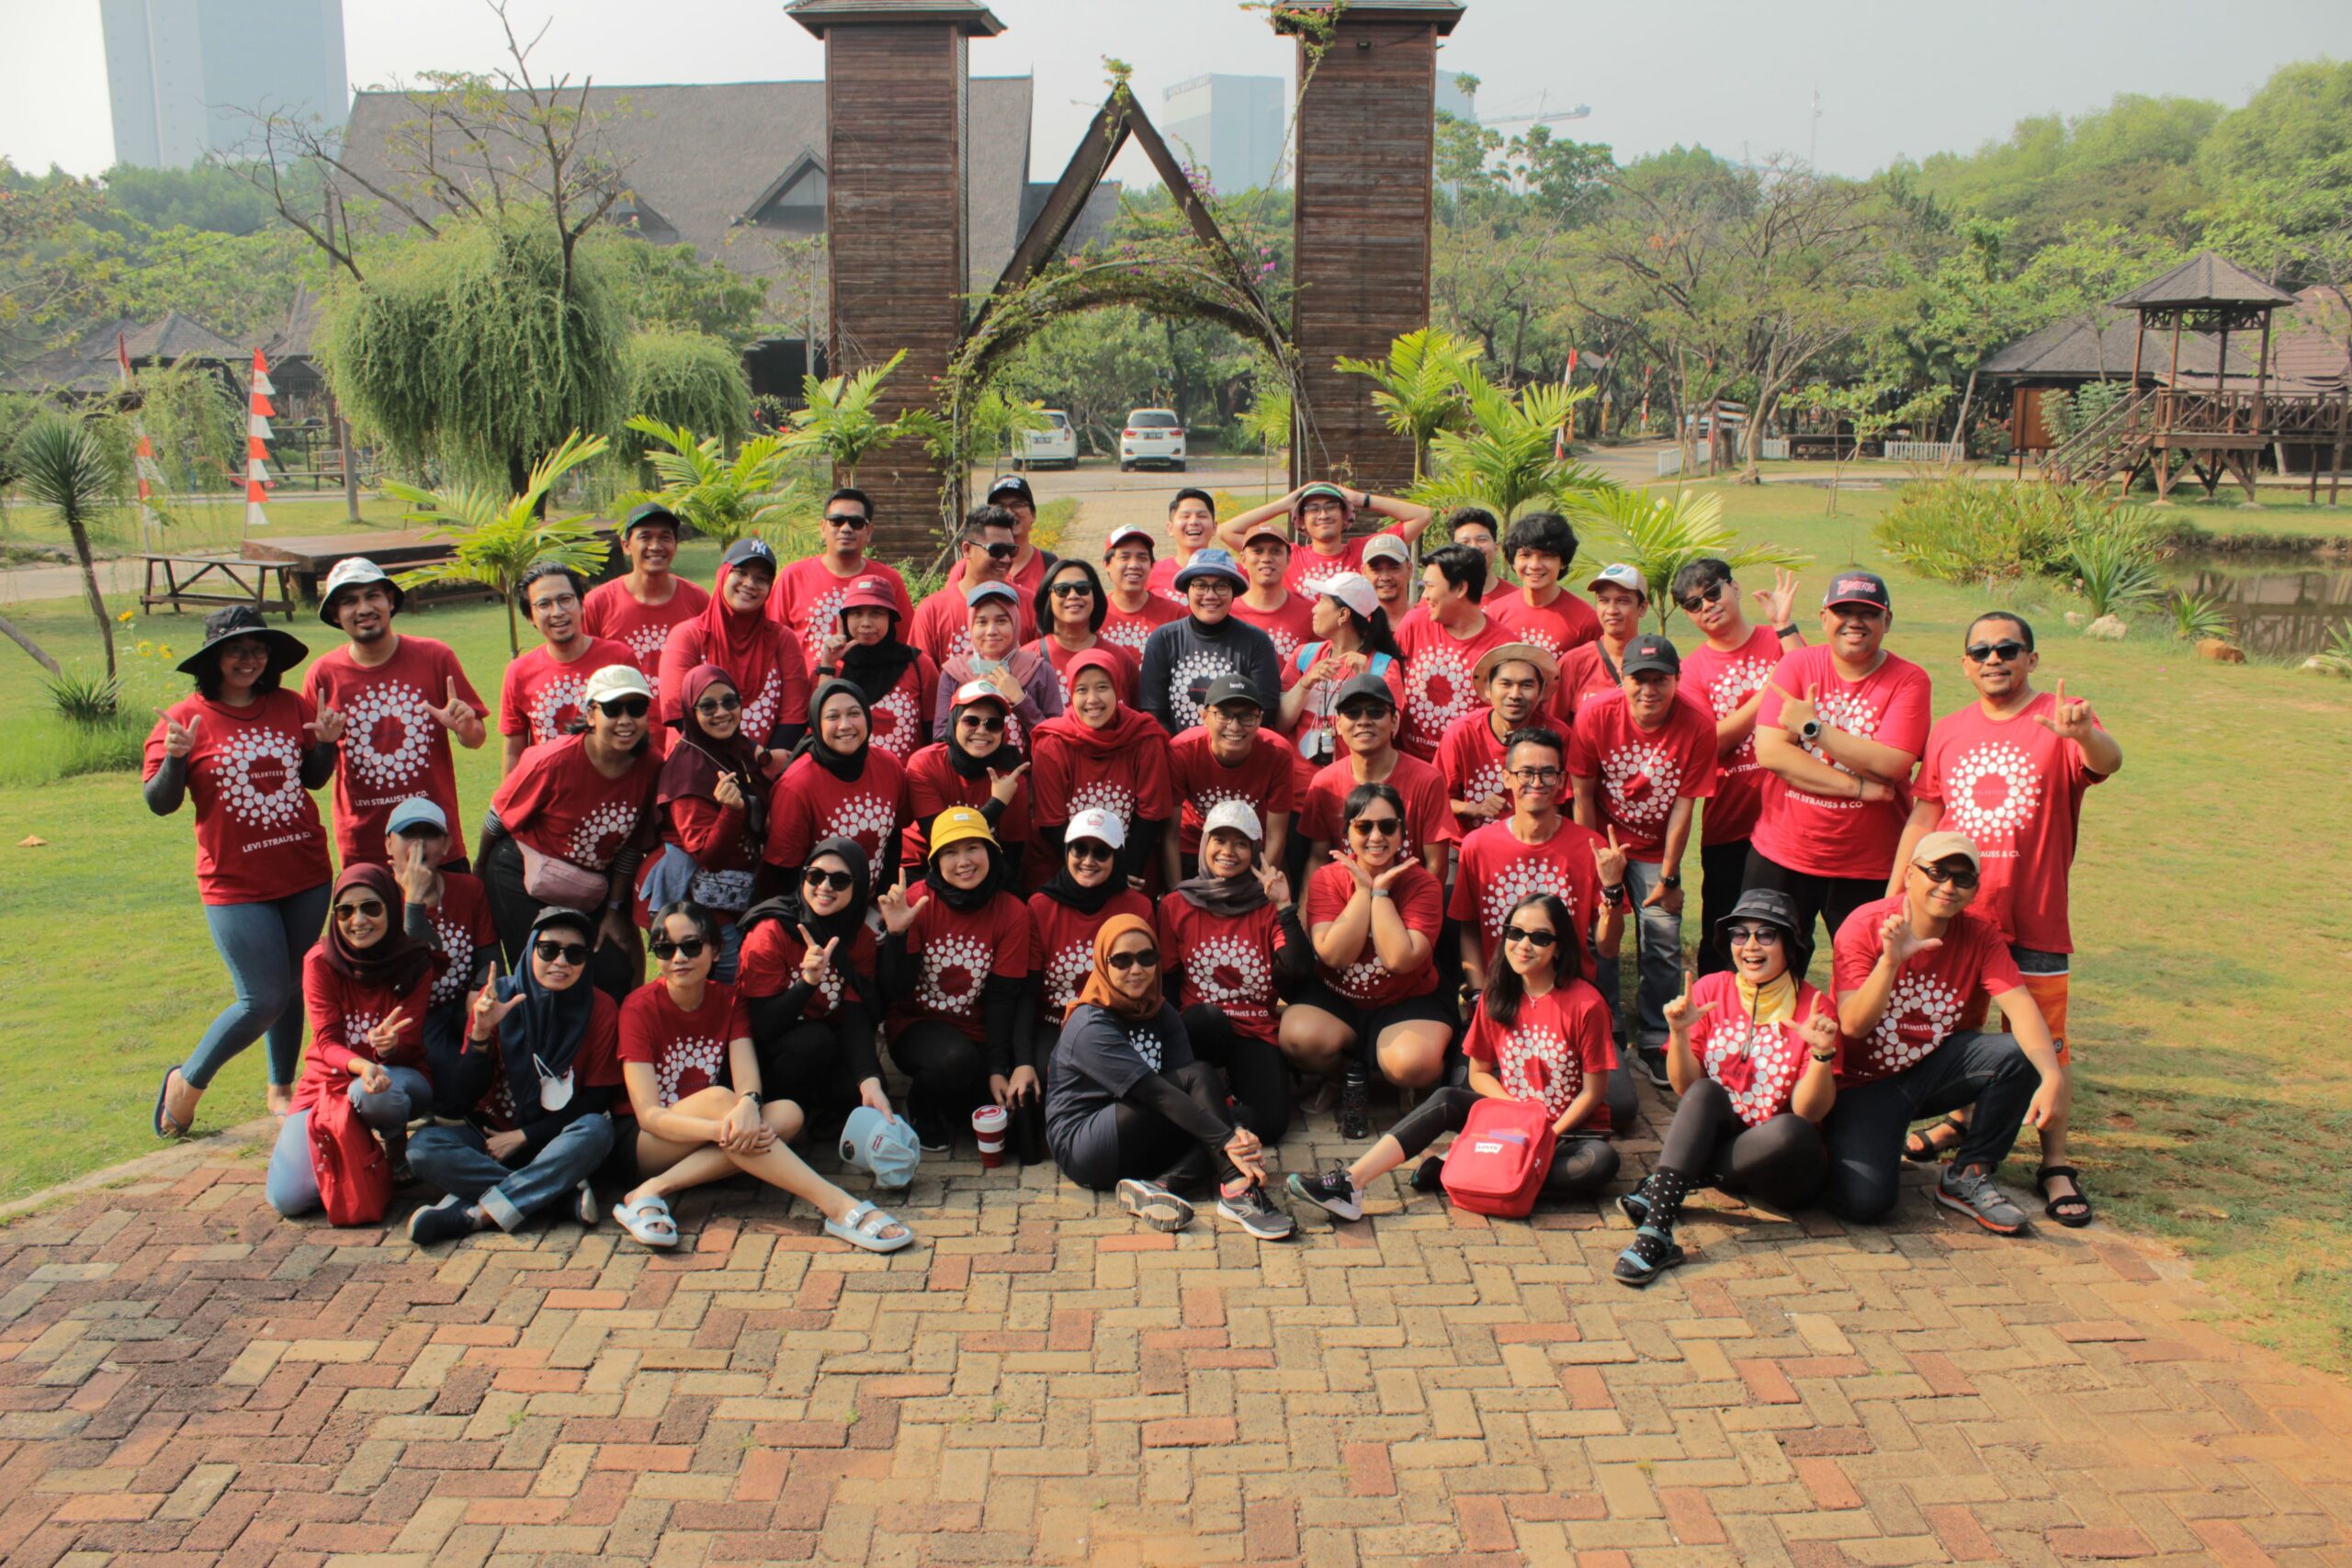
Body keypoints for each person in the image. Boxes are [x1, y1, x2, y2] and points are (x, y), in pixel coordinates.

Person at [1891, 613, 2120, 1225]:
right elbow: (1925, 816)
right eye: (1981, 650)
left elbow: (2108, 760)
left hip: (2035, 914)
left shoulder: (2059, 717)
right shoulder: (1948, 730)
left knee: (2047, 1040)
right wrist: (1896, 896)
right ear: (1965, 664)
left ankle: (2055, 1161)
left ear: (2031, 659)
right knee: (1960, 1037)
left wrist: (2084, 735)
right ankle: (1963, 1123)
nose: (1994, 658)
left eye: (2007, 648)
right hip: (1957, 916)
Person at [1288, 891, 1619, 1220]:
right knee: (1447, 1097)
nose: (1524, 945)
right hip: (1509, 1119)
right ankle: (1349, 1184)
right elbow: (1479, 1074)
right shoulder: (1497, 996)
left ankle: (1467, 1171)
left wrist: (1546, 1134)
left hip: (1568, 1133)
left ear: (1559, 947)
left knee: (1601, 1162)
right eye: (1515, 933)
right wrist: (1518, 1114)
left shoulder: (1586, 1004)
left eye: (1540, 937)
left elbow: (1593, 1094)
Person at [609, 900, 912, 1253]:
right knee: (724, 1100)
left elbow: (747, 1081)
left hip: (712, 1129)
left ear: (715, 949)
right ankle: (837, 1204)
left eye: (692, 946)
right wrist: (727, 1130)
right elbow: (649, 1115)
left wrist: (748, 1107)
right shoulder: (639, 1007)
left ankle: (653, 1190)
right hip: (645, 1141)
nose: (679, 958)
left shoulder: (728, 999)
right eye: (665, 948)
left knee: (788, 1114)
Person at [146, 606, 337, 1134]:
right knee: (263, 996)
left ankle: (281, 1088)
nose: (250, 660)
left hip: (304, 871)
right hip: (234, 883)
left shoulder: (286, 704)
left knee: (295, 983)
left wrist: (325, 743)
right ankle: (187, 1081)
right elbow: (160, 803)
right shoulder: (184, 717)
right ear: (214, 659)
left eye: (258, 650)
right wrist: (175, 759)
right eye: (237, 650)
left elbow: (312, 779)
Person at [1826, 833, 2068, 1234]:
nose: (1948, 887)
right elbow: (1852, 1025)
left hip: (1928, 1070)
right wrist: (1889, 963)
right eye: (1936, 873)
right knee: (1865, 1203)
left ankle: (1969, 1173)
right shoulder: (1866, 925)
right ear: (1909, 874)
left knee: (2019, 1053)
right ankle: (1842, 1143)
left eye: (1963, 878)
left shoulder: (1979, 934)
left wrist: (2052, 1074)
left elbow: (2021, 1006)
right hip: (1862, 1083)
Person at [1612, 890, 1840, 1287]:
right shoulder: (1710, 991)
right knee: (1703, 1092)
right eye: (1740, 933)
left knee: (1791, 1129)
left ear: (1790, 944)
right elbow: (1686, 1089)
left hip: (1784, 1171)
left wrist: (1822, 1054)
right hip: (1726, 1151)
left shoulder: (1814, 1007)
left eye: (1766, 934)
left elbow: (1809, 1113)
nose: (1750, 945)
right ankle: (1656, 1231)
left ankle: (1667, 1185)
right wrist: (1679, 1035)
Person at [1045, 914, 1296, 1239]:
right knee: (1212, 1104)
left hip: (1140, 1126)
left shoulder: (1158, 1009)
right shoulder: (1090, 1024)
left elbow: (1189, 1096)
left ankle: (1161, 1186)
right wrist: (1228, 1141)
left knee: (1241, 1116)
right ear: (1102, 964)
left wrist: (1233, 1131)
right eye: (1121, 960)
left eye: (1146, 958)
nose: (1136, 970)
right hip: (1088, 1145)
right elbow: (1160, 1093)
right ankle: (1236, 1187)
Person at [1749, 570, 1932, 979]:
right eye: (1842, 611)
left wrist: (1813, 730)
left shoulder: (1909, 680)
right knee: (1764, 972)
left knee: (1866, 975)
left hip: (1866, 863)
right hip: (1782, 853)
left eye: (1867, 613)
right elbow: (1772, 752)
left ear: (1887, 622)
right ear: (1823, 618)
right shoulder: (1798, 663)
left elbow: (1894, 763)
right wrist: (1860, 786)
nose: (1854, 621)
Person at [405, 907, 620, 1246]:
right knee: (422, 1148)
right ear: (530, 948)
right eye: (549, 950)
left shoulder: (601, 1008)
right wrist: (480, 1034)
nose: (561, 962)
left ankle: (475, 1216)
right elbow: (461, 1100)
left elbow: (595, 1100)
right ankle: (556, 1197)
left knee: (597, 1129)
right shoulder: (496, 998)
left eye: (574, 953)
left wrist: (524, 1136)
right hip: (489, 1140)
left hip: (556, 1142)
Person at [1449, 727, 1631, 1127]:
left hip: (1567, 998)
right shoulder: (1478, 846)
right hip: (1505, 1001)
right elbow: (1467, 929)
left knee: (1620, 1106)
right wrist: (1480, 993)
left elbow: (1609, 947)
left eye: (1548, 773)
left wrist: (1613, 889)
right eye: (1527, 772)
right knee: (1466, 1093)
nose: (1537, 782)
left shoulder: (1590, 847)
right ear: (1507, 777)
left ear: (1563, 782)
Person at [1569, 635, 1719, 1084]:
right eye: (1639, 679)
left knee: (1662, 938)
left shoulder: (1697, 724)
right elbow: (1582, 793)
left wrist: (1670, 876)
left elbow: (1683, 807)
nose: (1649, 690)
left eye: (1660, 680)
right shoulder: (1597, 714)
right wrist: (1597, 858)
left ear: (1677, 680)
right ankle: (1608, 1023)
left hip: (1657, 848)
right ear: (1624, 679)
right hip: (1607, 839)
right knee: (1602, 936)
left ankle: (1656, 1036)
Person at [478, 664, 664, 1002]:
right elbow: (497, 818)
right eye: (613, 708)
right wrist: (479, 875)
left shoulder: (651, 767)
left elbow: (629, 849)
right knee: (544, 975)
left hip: (587, 888)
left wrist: (612, 911)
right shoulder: (552, 760)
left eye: (636, 709)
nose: (625, 720)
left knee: (613, 974)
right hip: (520, 876)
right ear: (591, 714)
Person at [267, 863, 445, 1215]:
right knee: (289, 1199)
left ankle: (394, 1145)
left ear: (392, 909)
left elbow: (410, 1044)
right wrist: (362, 1062)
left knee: (372, 1090)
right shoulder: (319, 961)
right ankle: (358, 1146)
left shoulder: (415, 962)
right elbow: (326, 1042)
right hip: (325, 1083)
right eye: (345, 911)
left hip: (397, 1079)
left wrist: (388, 1048)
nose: (358, 920)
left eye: (371, 908)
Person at [1281, 781, 1454, 1136]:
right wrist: (1362, 890)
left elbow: (1400, 959)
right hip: (1337, 995)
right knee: (1298, 1038)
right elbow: (1332, 955)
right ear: (1347, 833)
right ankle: (1338, 1076)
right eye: (1364, 826)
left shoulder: (1423, 884)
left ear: (1403, 833)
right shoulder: (1327, 878)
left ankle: (1405, 1083)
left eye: (1388, 826)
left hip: (1409, 998)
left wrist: (1381, 892)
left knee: (1412, 1064)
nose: (1377, 836)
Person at [301, 557, 487, 869]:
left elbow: (476, 738)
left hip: (435, 834)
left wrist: (463, 727)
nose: (363, 609)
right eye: (349, 601)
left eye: (372, 596)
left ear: (390, 600)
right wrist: (326, 743)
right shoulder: (323, 674)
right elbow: (314, 772)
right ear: (335, 614)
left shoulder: (435, 656)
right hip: (365, 842)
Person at [1672, 558, 1805, 976]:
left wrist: (1785, 626)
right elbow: (1711, 741)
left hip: (1791, 813)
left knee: (1786, 928)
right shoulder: (1692, 669)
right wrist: (1770, 690)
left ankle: (1785, 1023)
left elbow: (1814, 688)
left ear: (1735, 588)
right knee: (1724, 926)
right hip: (1730, 819)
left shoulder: (1776, 640)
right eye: (1694, 604)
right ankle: (1714, 1021)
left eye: (1713, 592)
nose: (1707, 606)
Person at [877, 807, 1036, 1152]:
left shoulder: (1012, 911)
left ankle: (952, 1101)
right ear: (936, 861)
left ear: (991, 852)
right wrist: (896, 936)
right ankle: (919, 1110)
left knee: (1008, 1111)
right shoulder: (916, 900)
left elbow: (1002, 996)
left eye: (972, 848)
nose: (963, 861)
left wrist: (998, 1067)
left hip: (979, 1030)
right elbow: (895, 990)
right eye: (950, 852)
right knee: (954, 1061)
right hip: (918, 1024)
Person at [1159, 800, 1306, 1145]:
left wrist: (1285, 906)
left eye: (1241, 843)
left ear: (1255, 851)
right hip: (1199, 1030)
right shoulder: (1176, 905)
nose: (1228, 851)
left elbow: (1298, 969)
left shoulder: (1268, 903)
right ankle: (1206, 1094)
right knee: (1209, 1018)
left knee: (1269, 1126)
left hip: (1254, 1028)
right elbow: (1165, 983)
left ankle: (1201, 1114)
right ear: (1204, 844)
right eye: (1219, 840)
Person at [736, 840, 893, 1133]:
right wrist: (807, 983)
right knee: (813, 1041)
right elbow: (763, 1025)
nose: (825, 886)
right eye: (815, 875)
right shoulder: (771, 932)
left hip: (827, 1041)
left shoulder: (860, 937)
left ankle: (816, 1111)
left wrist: (869, 1078)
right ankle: (787, 1111)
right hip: (770, 1051)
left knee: (866, 1089)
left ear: (858, 887)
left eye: (841, 879)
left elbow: (856, 1016)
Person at [639, 665, 769, 975]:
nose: (721, 712)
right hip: (700, 901)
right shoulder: (687, 768)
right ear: (690, 710)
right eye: (707, 706)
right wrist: (732, 811)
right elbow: (707, 856)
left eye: (729, 701)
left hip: (735, 895)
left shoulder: (735, 748)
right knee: (730, 980)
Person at [383, 798, 499, 1119]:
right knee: (449, 1068)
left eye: (430, 835)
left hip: (461, 1002)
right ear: (389, 843)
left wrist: (478, 991)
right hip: (413, 1010)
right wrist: (414, 901)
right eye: (408, 834)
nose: (419, 845)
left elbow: (489, 955)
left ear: (447, 844)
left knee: (497, 1040)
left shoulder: (469, 889)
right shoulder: (377, 897)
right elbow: (412, 967)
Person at [657, 537, 809, 767]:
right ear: (723, 574)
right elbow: (680, 714)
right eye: (741, 572)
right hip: (698, 766)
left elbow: (794, 715)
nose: (750, 583)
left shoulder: (782, 639)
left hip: (766, 774)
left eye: (762, 579)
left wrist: (765, 767)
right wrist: (754, 754)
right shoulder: (688, 636)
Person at [1029, 649, 1173, 889]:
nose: (1093, 699)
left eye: (1103, 687)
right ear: (1071, 694)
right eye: (1082, 690)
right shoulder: (1052, 742)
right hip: (1066, 867)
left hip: (1131, 868)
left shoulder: (1144, 736)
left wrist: (1121, 873)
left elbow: (1152, 813)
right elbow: (1052, 823)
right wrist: (1089, 871)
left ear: (1118, 690)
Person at [1029, 809, 1155, 1070]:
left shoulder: (1138, 907)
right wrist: (1021, 1063)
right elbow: (1027, 993)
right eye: (1079, 849)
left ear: (1117, 857)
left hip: (1119, 1022)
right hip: (1055, 1022)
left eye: (1101, 852)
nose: (1088, 860)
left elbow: (1150, 985)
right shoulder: (1040, 907)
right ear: (1066, 852)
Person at [1298, 674, 1455, 880]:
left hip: (1407, 903)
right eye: (1352, 713)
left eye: (1375, 712)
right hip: (1345, 904)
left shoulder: (1427, 780)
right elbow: (1317, 859)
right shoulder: (1324, 783)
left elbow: (1436, 865)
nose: (1363, 721)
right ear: (1337, 724)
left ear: (1395, 721)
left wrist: (1420, 909)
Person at [767, 678, 910, 891]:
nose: (845, 725)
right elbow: (783, 872)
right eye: (833, 716)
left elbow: (894, 836)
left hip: (873, 907)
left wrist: (883, 901)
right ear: (816, 723)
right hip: (816, 911)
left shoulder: (889, 765)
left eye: (854, 713)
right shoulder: (796, 786)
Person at [500, 561, 638, 773]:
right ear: (530, 617)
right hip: (548, 797)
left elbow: (642, 729)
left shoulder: (618, 658)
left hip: (613, 792)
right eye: (544, 604)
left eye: (565, 599)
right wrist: (510, 803)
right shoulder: (518, 672)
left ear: (582, 604)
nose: (557, 612)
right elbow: (513, 752)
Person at [1163, 674, 1295, 892]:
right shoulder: (1182, 751)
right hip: (1194, 845)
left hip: (1249, 847)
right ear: (1204, 716)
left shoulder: (1278, 753)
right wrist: (1176, 893)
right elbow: (1170, 835)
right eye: (1223, 715)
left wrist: (1259, 890)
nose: (1234, 727)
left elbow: (1275, 835)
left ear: (1260, 718)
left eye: (1246, 717)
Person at [1278, 571, 1406, 792]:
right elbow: (1280, 724)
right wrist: (1305, 683)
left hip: (1356, 793)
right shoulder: (1303, 656)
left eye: (1322, 602)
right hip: (1298, 791)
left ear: (1343, 614)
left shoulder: (1382, 666)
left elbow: (1389, 730)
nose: (1314, 609)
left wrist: (1366, 679)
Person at [1394, 544, 1521, 762]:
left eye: (1430, 586)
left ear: (1461, 588)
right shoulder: (1414, 623)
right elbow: (1392, 680)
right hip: (1408, 761)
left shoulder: (1504, 647)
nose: (1425, 595)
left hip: (1466, 766)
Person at [899, 682, 1034, 883]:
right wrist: (997, 803)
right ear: (954, 723)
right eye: (971, 721)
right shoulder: (925, 764)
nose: (981, 730)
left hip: (980, 868)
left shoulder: (1011, 775)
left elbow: (1012, 857)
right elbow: (940, 840)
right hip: (922, 864)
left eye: (993, 724)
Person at [1139, 547, 1280, 734]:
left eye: (1221, 586)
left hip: (1238, 754)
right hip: (1177, 755)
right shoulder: (1163, 639)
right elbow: (1154, 713)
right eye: (1200, 585)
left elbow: (1266, 712)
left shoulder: (1256, 642)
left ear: (1233, 593)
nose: (1210, 595)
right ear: (1187, 590)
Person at [772, 485, 914, 668]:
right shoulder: (792, 578)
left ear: (869, 531)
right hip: (809, 693)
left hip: (872, 692)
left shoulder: (888, 580)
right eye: (837, 521)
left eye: (856, 522)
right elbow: (772, 643)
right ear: (823, 528)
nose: (846, 528)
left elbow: (907, 642)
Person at [1216, 481, 1434, 592]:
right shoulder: (1288, 557)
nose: (1323, 515)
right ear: (1300, 520)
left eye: (1331, 507)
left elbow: (1422, 515)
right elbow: (1227, 531)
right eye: (1313, 509)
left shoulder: (1364, 551)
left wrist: (1360, 498)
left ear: (1345, 515)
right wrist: (1286, 503)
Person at [582, 502, 708, 692]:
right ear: (626, 545)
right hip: (624, 719)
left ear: (676, 545)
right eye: (645, 537)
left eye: (665, 537)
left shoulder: (698, 599)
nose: (655, 546)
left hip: (681, 718)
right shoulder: (597, 603)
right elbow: (585, 668)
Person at [1437, 642, 1555, 836]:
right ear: (1488, 690)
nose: (1515, 695)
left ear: (1541, 692)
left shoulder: (1558, 735)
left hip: (1536, 845)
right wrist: (1472, 808)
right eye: (1505, 684)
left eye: (1526, 685)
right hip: (1465, 846)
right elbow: (1435, 800)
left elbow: (1565, 803)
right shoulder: (1461, 733)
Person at [812, 575, 936, 761]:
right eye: (856, 613)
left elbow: (934, 733)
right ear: (845, 618)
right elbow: (820, 724)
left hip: (906, 782)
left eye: (876, 613)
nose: (866, 623)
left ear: (891, 618)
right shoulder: (831, 664)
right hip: (849, 782)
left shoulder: (919, 665)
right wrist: (828, 665)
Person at [934, 581, 1063, 751]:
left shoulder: (1038, 670)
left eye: (1001, 621)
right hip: (969, 777)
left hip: (1027, 776)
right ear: (971, 625)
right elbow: (940, 741)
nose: (991, 630)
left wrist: (1021, 700)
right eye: (981, 622)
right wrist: (970, 696)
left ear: (1015, 623)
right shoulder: (954, 673)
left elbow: (1055, 743)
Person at [911, 507, 1034, 666]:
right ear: (967, 550)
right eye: (996, 550)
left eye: (1011, 551)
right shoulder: (932, 611)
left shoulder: (1029, 603)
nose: (1005, 559)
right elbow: (921, 676)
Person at [1486, 512, 1600, 662]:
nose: (1534, 565)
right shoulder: (1495, 612)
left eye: (1546, 555)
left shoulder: (1587, 620)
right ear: (1513, 561)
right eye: (1525, 555)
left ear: (1563, 561)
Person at [1030, 557, 1140, 707]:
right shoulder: (1031, 659)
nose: (1073, 596)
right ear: (1047, 598)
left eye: (1082, 588)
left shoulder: (1119, 657)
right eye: (1062, 590)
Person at [1555, 563, 1650, 720]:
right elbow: (1555, 726)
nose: (1612, 610)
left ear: (1642, 608)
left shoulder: (1659, 664)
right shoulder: (1573, 663)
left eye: (1622, 601)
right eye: (1604, 601)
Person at [944, 475, 1056, 607]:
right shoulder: (965, 569)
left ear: (1033, 514)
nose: (1008, 512)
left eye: (1017, 504)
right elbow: (950, 608)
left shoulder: (1051, 566)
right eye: (999, 506)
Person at [1230, 521, 1317, 668]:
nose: (1266, 559)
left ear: (1289, 559)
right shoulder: (1227, 611)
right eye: (1257, 551)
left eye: (1276, 551)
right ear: (1243, 559)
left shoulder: (1312, 612)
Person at [1100, 525, 1186, 653]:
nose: (1134, 565)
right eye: (1124, 557)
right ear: (1106, 564)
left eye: (1142, 558)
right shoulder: (1095, 615)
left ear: (1151, 566)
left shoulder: (1176, 614)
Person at [1147, 487, 1222, 604]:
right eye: (1185, 516)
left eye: (1202, 516)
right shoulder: (1151, 572)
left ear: (1214, 527)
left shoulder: (1230, 570)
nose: (1193, 522)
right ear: (1170, 528)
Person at [1445, 506, 1515, 602]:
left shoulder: (1514, 598)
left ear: (1496, 547)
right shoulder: (1440, 596)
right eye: (1465, 542)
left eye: (1482, 540)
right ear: (1452, 551)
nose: (1474, 547)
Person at [1360, 533, 1418, 626]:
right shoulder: (1356, 627)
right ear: (1364, 573)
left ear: (1409, 569)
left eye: (1394, 568)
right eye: (1376, 569)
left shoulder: (1430, 620)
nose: (1385, 577)